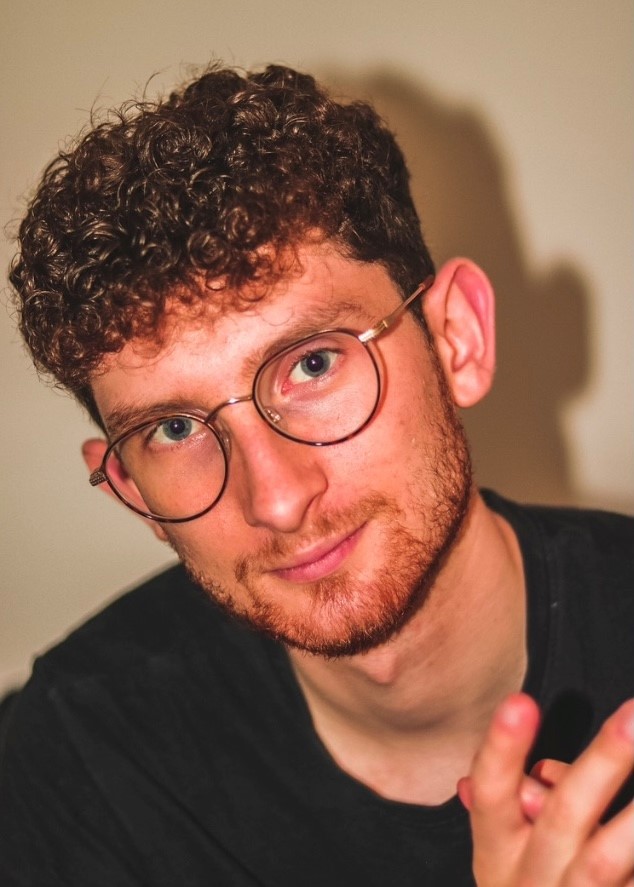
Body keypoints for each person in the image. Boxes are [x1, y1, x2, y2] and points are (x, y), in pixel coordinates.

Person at [0, 63, 632, 887]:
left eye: (313, 364)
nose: (278, 497)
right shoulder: (79, 753)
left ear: (457, 340)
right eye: (177, 427)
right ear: (130, 489)